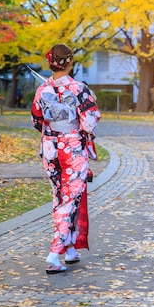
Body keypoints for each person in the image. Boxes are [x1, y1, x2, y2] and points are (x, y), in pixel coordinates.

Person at [30, 44, 101, 274]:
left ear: (51, 63)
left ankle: (70, 250)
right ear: (69, 62)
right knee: (70, 200)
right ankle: (54, 254)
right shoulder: (79, 88)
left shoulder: (42, 90)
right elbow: (90, 122)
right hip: (72, 149)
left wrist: (54, 131)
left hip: (50, 148)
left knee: (60, 196)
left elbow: (36, 120)